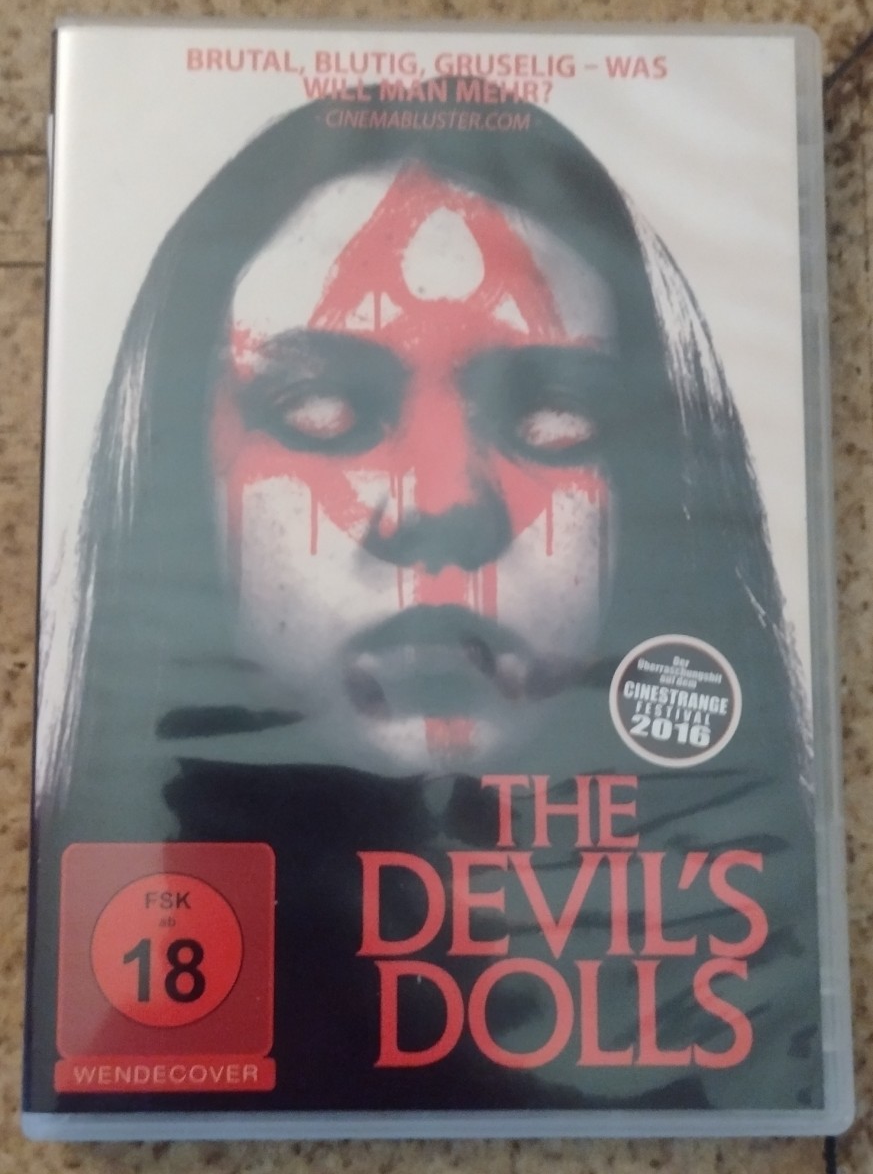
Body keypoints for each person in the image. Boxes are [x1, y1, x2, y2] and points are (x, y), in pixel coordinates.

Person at [33, 83, 821, 1113]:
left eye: (552, 413)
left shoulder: (759, 1012)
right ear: (179, 480)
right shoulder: (107, 1002)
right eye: (322, 405)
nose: (443, 500)